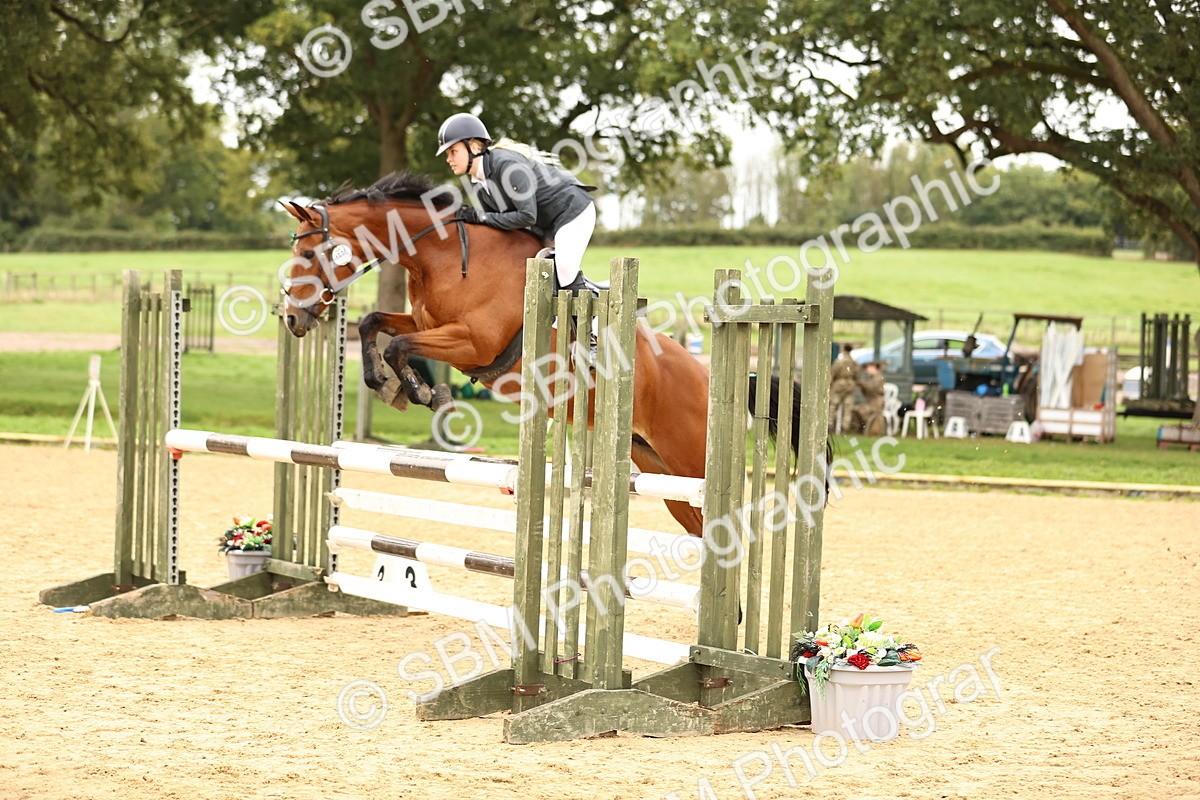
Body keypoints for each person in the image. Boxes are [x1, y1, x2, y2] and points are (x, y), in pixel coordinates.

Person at [436, 112, 598, 294]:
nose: (448, 159)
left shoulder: (507, 166)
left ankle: (591, 322)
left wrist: (480, 216)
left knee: (565, 270)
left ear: (473, 146)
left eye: (453, 152)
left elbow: (527, 216)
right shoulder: (478, 183)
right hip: (546, 224)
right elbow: (495, 225)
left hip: (572, 211)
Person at [829, 343, 861, 434]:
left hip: (838, 385)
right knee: (848, 408)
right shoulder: (854, 363)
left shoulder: (838, 362)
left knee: (833, 406)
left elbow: (832, 375)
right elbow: (857, 376)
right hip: (850, 386)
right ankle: (844, 428)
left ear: (844, 350)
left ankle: (830, 425)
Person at [856, 360, 886, 435]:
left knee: (862, 410)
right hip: (871, 402)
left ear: (873, 368)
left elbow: (871, 388)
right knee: (857, 409)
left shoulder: (878, 378)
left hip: (876, 404)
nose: (867, 371)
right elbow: (866, 392)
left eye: (868, 368)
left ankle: (870, 429)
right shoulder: (871, 378)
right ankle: (864, 429)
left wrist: (861, 383)